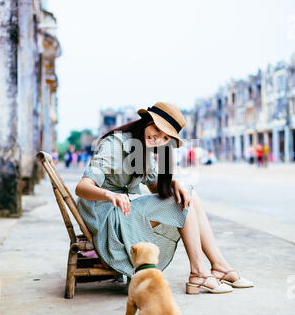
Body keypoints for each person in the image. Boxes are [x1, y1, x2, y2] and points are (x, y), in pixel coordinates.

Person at [75, 101, 253, 293]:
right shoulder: (115, 144)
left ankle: (219, 267)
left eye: (165, 137)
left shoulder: (143, 149)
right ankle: (199, 273)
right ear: (147, 121)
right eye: (157, 130)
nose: (158, 139)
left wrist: (175, 184)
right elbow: (82, 187)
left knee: (187, 194)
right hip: (105, 216)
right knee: (181, 203)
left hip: (125, 210)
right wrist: (109, 195)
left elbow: (154, 189)